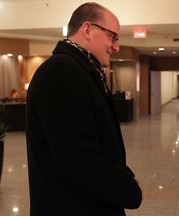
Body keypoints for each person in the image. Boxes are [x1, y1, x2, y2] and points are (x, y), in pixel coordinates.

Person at [26, 2, 142, 216]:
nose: (116, 46)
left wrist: (123, 173)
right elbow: (79, 155)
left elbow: (97, 140)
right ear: (88, 29)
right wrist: (128, 189)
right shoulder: (60, 71)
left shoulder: (81, 70)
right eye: (113, 37)